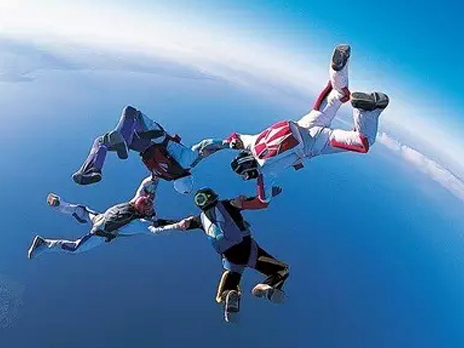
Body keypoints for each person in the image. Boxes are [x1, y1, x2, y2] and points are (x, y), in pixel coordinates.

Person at [224, 44, 390, 207]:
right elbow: (234, 137)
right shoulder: (251, 143)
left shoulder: (264, 173)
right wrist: (225, 144)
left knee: (363, 141)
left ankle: (365, 110)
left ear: (250, 171)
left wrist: (240, 205)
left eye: (246, 175)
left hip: (315, 143)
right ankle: (338, 70)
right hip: (306, 124)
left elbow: (262, 202)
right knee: (337, 94)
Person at [152, 188, 289, 323]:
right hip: (247, 248)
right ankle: (264, 287)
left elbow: (180, 224)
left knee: (229, 282)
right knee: (281, 270)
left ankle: (231, 294)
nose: (202, 202)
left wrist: (160, 223)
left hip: (231, 257)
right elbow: (249, 201)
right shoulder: (225, 205)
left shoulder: (202, 218)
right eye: (199, 200)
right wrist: (267, 194)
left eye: (201, 198)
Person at [71, 105, 235, 194]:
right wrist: (147, 200)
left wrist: (226, 144)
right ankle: (93, 171)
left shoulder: (189, 162)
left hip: (155, 136)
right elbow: (150, 184)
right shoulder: (163, 175)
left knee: (131, 112)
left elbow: (206, 145)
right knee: (103, 140)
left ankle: (94, 165)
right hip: (140, 147)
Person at [27, 175, 177, 259]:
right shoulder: (137, 215)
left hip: (100, 221)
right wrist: (154, 178)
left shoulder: (137, 212)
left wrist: (154, 178)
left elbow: (145, 188)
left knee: (82, 212)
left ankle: (60, 204)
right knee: (76, 247)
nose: (148, 206)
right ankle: (45, 243)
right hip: (101, 231)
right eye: (147, 205)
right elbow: (155, 228)